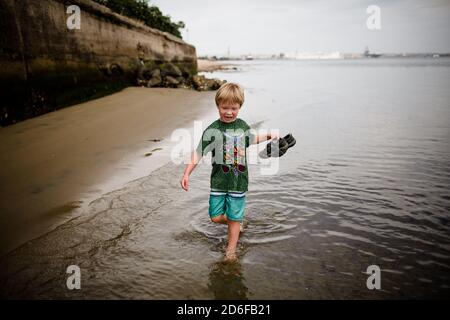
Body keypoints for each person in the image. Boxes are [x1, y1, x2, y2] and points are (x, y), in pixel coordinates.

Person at [180, 82, 278, 260]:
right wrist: (187, 173)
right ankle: (237, 222)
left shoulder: (242, 126)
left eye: (234, 108)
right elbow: (198, 152)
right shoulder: (212, 130)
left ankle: (230, 250)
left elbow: (253, 139)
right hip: (218, 181)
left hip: (238, 182)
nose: (229, 112)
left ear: (240, 107)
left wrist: (269, 135)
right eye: (224, 107)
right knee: (215, 216)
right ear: (218, 106)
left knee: (233, 217)